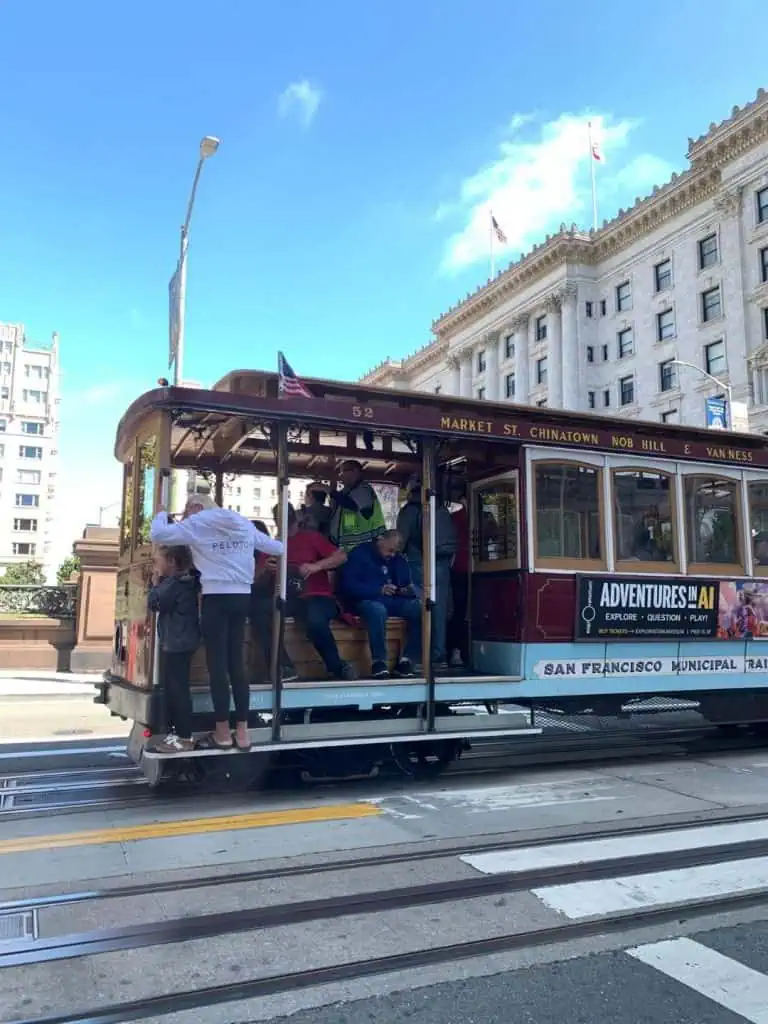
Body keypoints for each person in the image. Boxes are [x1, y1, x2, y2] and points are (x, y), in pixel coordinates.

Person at [150, 494, 284, 751]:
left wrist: (161, 513)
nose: (186, 514)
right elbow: (277, 548)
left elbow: (159, 534)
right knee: (237, 665)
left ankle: (222, 733)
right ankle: (242, 734)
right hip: (242, 597)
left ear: (198, 507)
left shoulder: (198, 523)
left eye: (188, 508)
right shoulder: (242, 523)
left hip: (215, 598)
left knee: (218, 666)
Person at [252, 504, 356, 681]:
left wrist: (317, 566)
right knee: (259, 610)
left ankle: (337, 667)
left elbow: (341, 556)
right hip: (289, 598)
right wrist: (265, 570)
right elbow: (254, 579)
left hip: (317, 595)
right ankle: (283, 666)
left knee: (314, 618)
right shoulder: (272, 545)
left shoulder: (312, 538)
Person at [339, 529, 421, 679]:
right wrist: (378, 589)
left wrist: (405, 590)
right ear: (381, 540)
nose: (392, 555)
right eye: (390, 550)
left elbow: (404, 583)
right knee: (377, 610)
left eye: (395, 552)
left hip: (392, 601)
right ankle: (379, 662)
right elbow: (348, 586)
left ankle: (407, 661)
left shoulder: (397, 559)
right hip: (363, 601)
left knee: (419, 607)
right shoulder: (359, 554)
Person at [396, 478, 457, 668]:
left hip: (418, 564)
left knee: (420, 608)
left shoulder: (409, 511)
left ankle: (419, 656)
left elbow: (400, 542)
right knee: (439, 610)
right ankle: (439, 655)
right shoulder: (441, 510)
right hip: (442, 565)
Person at [146, 545, 200, 753]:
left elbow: (156, 603)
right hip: (181, 640)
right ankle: (178, 733)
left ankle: (184, 736)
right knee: (175, 688)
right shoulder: (186, 581)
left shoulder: (174, 583)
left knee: (178, 690)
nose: (156, 565)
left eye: (158, 561)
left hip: (177, 642)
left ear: (171, 562)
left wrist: (154, 584)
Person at [328, 460, 386, 552]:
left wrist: (329, 491)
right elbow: (349, 519)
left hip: (364, 546)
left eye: (343, 472)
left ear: (355, 471)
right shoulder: (347, 491)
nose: (341, 476)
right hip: (349, 546)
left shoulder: (363, 489)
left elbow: (352, 505)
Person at [447, 481, 470, 669]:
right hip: (460, 569)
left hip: (479, 570)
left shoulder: (485, 517)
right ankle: (456, 651)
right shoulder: (455, 518)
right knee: (459, 610)